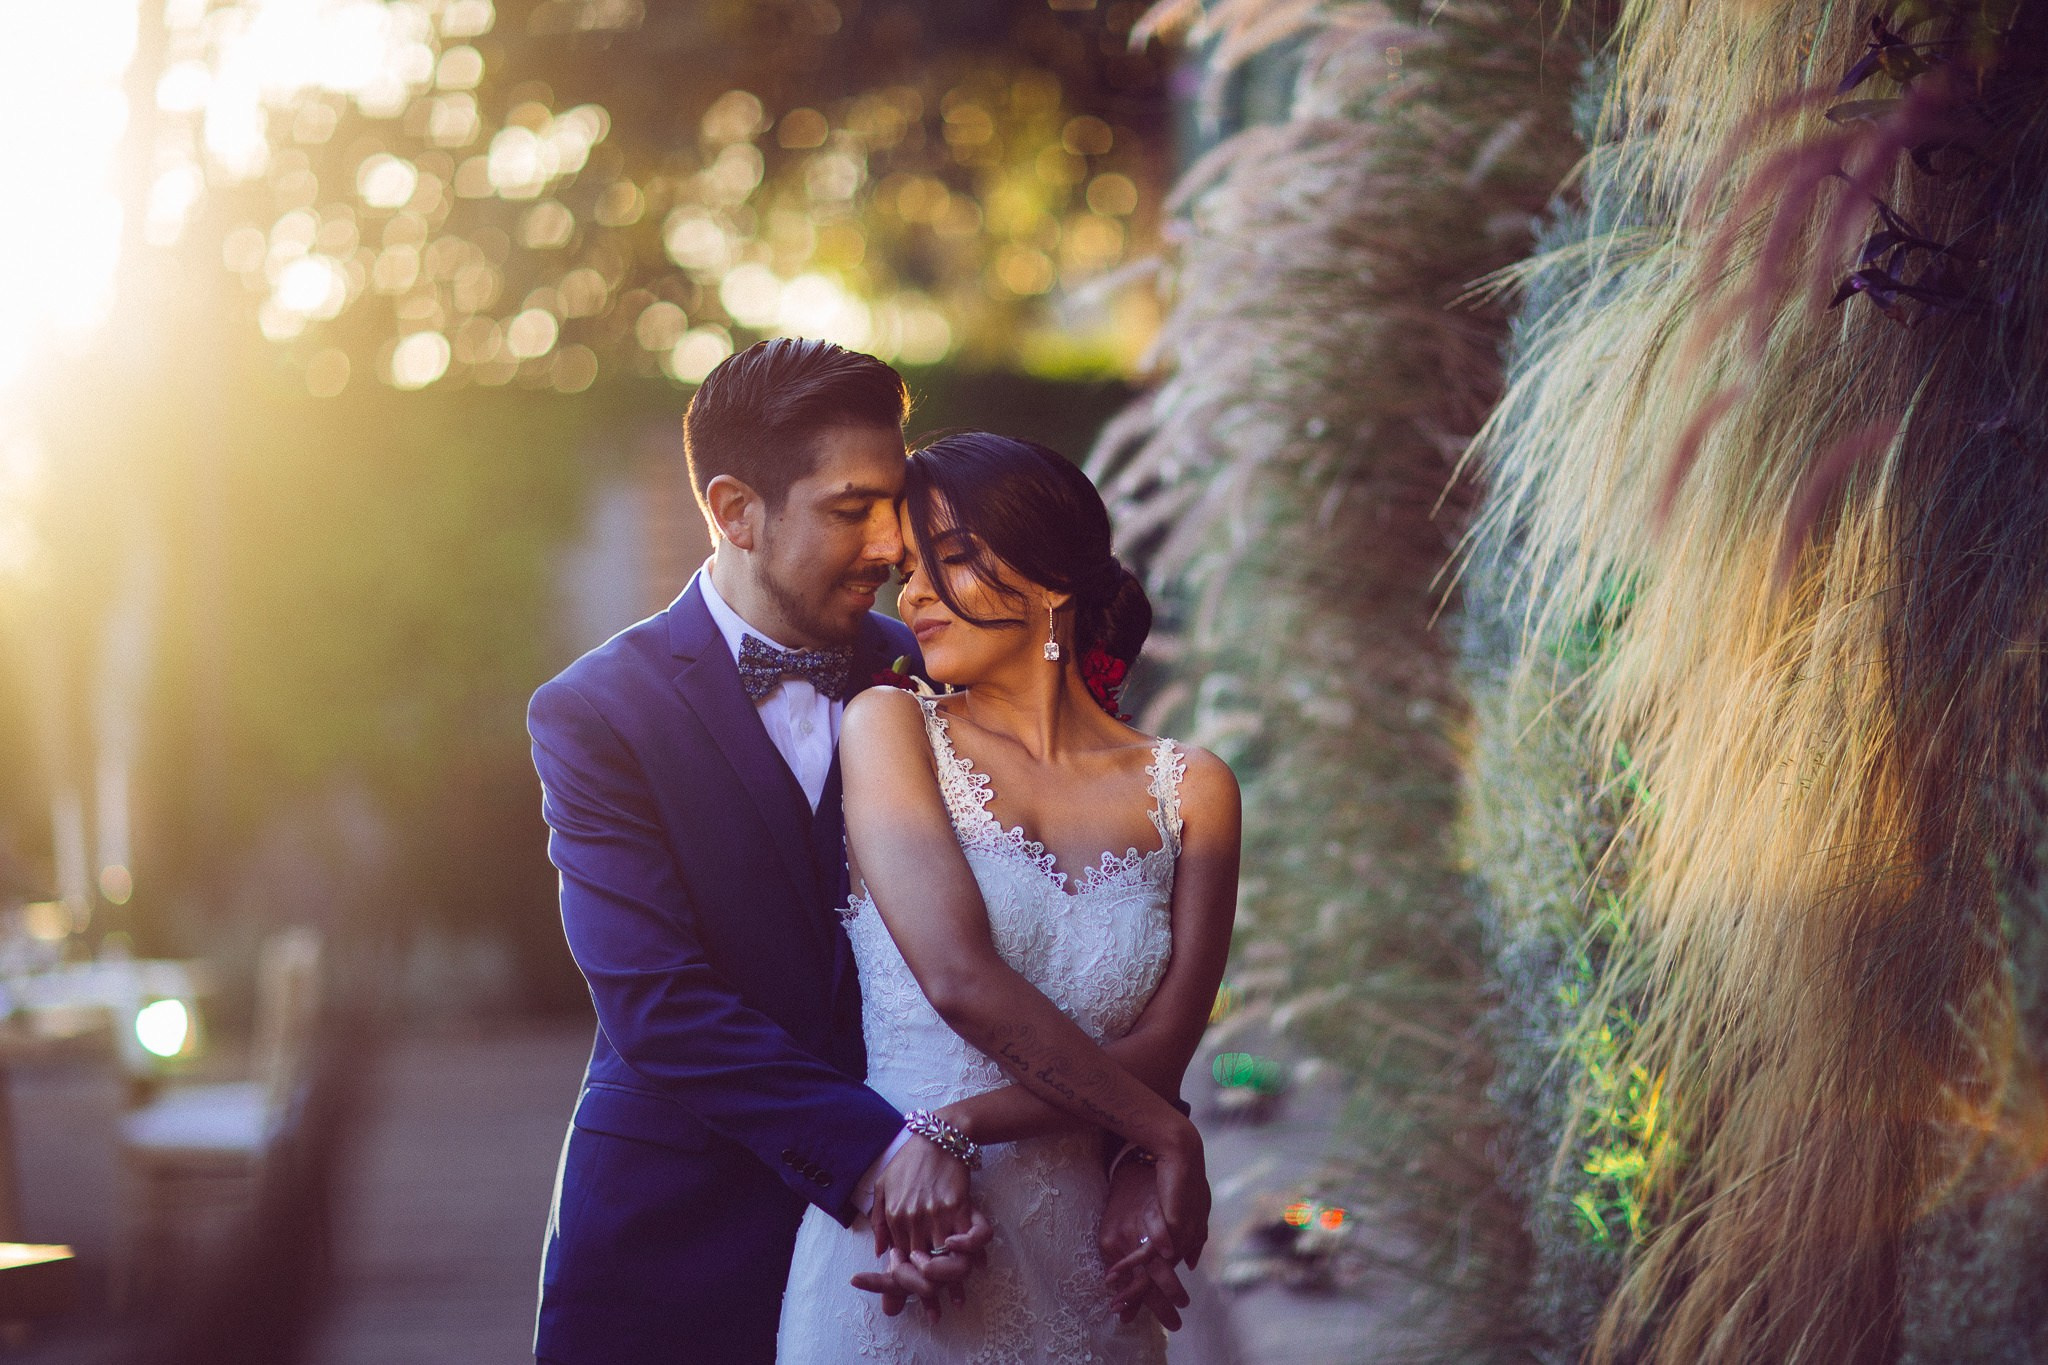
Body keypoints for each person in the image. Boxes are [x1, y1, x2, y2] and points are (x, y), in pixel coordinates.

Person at [526, 339, 993, 1365]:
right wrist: (881, 1159)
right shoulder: (596, 714)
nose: (890, 547)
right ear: (736, 510)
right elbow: (657, 1003)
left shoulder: (942, 677)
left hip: (935, 1246)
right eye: (849, 508)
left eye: (896, 504)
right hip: (674, 1247)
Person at [778, 432, 1243, 1364]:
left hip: (1095, 1263)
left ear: (1054, 583)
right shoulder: (890, 726)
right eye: (908, 569)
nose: (910, 597)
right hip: (909, 1238)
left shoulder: (1192, 789)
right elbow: (958, 975)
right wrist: (1162, 1137)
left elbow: (1159, 1051)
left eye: (947, 559)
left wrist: (969, 1126)